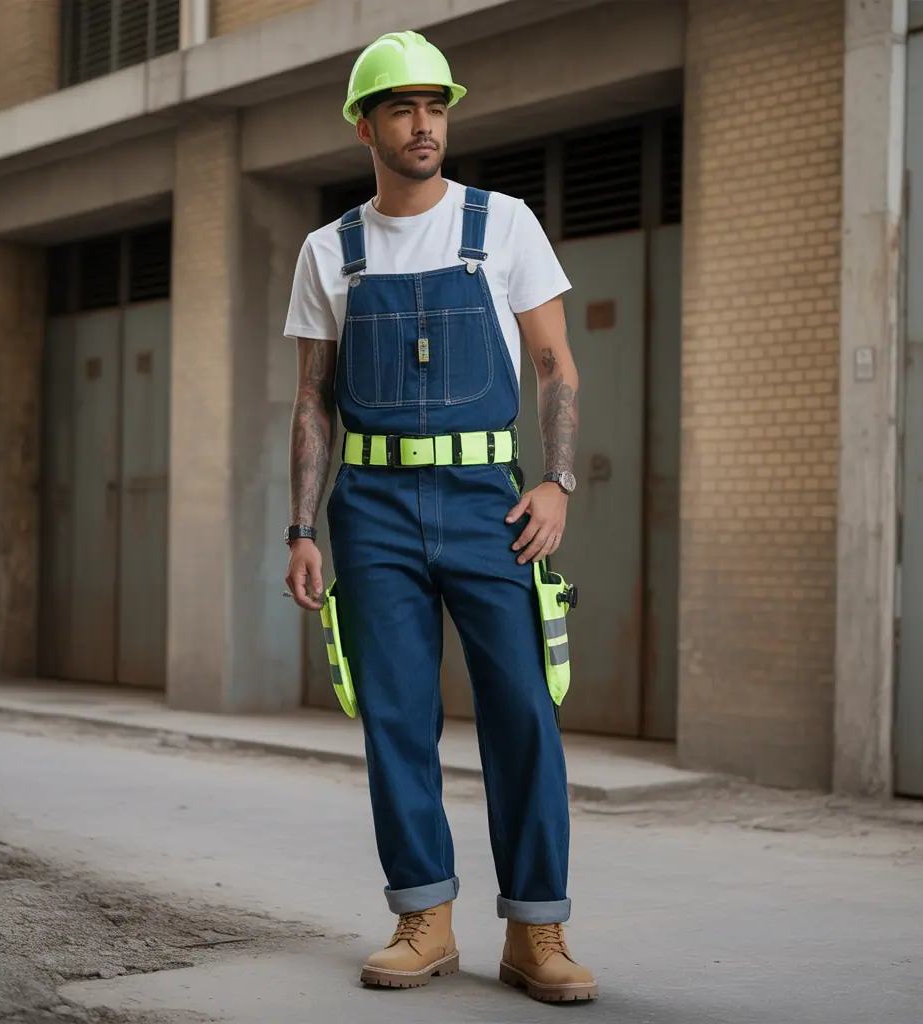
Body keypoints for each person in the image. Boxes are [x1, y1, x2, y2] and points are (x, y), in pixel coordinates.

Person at [283, 30, 596, 1004]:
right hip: (369, 509)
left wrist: (557, 482)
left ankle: (536, 933)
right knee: (395, 721)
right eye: (404, 108)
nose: (425, 124)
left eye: (437, 106)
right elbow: (310, 400)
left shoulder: (499, 225)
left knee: (523, 716)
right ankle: (424, 916)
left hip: (486, 504)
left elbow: (555, 368)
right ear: (366, 125)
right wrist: (301, 526)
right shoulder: (328, 250)